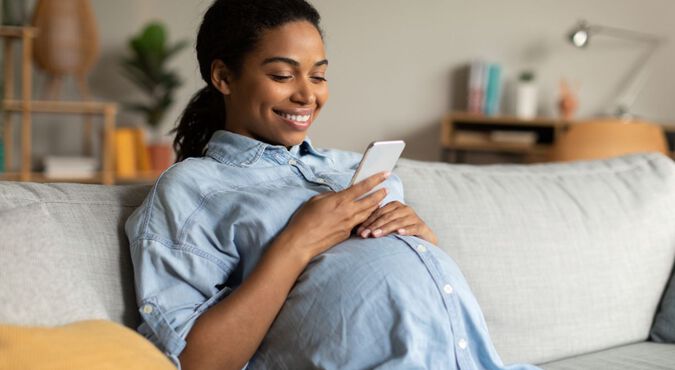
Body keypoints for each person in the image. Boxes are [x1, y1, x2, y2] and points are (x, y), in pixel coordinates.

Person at [125, 1, 540, 369]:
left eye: (319, 76)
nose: (307, 95)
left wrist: (423, 240)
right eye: (284, 75)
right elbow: (192, 361)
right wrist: (297, 242)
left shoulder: (350, 168)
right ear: (224, 77)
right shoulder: (192, 190)